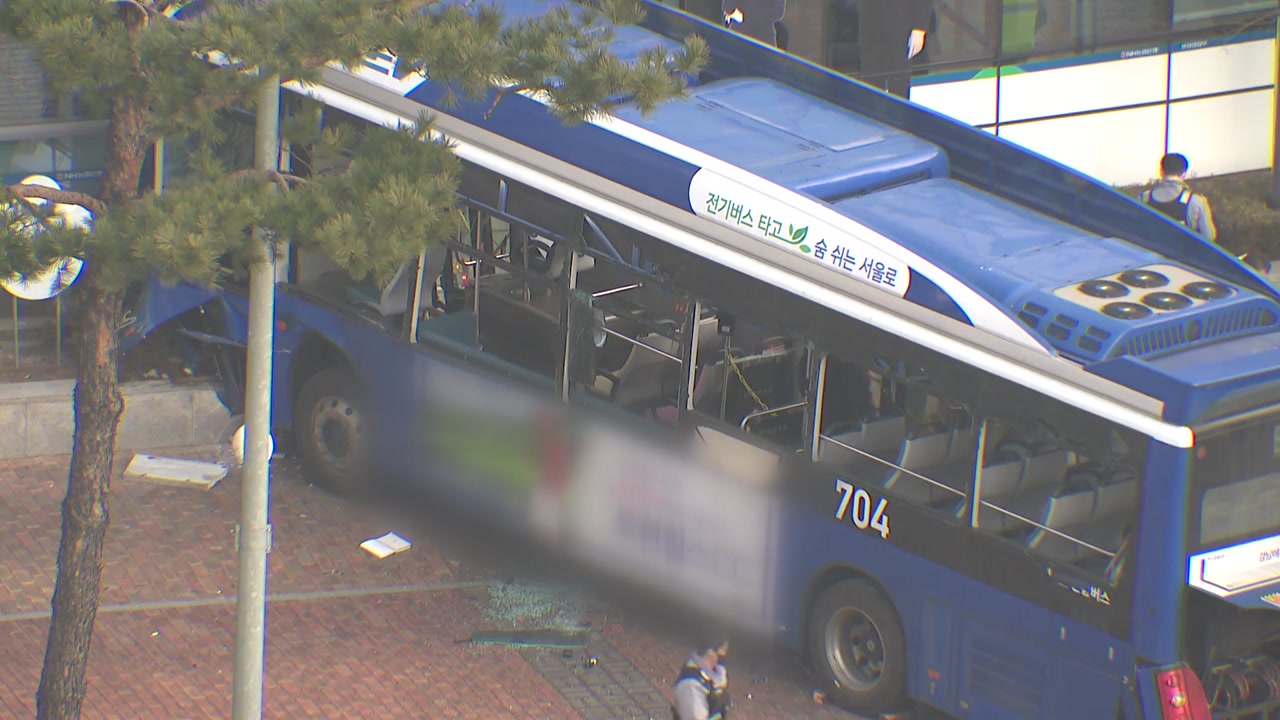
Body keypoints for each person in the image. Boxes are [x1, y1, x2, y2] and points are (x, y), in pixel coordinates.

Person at [857, 0, 935, 98]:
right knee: (870, 79)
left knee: (898, 80)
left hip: (901, 22)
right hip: (870, 22)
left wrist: (919, 28)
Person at [1140, 153, 1218, 243]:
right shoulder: (1195, 201)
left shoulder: (1143, 198)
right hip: (1183, 251)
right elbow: (1208, 237)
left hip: (1149, 251)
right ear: (1184, 174)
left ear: (1161, 172)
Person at [672, 638, 731, 720]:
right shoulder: (690, 684)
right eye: (720, 656)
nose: (719, 663)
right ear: (710, 653)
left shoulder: (712, 676)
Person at [722, 0, 787, 47]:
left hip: (763, 40)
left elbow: (778, 11)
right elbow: (727, 7)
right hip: (738, 38)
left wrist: (748, 17)